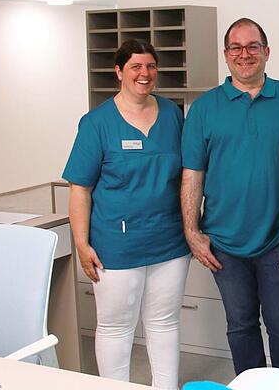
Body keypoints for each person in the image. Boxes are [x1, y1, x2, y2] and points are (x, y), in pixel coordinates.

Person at [62, 39, 190, 389]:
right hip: (116, 244)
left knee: (164, 322)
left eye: (150, 66)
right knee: (116, 327)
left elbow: (187, 175)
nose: (144, 74)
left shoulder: (172, 115)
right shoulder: (97, 123)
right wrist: (81, 244)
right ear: (119, 71)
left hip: (169, 240)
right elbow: (79, 189)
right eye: (135, 66)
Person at [180, 18, 279, 375]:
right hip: (224, 242)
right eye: (236, 47)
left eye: (252, 47)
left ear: (267, 52)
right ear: (226, 54)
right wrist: (192, 232)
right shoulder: (204, 108)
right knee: (241, 325)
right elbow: (192, 175)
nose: (244, 54)